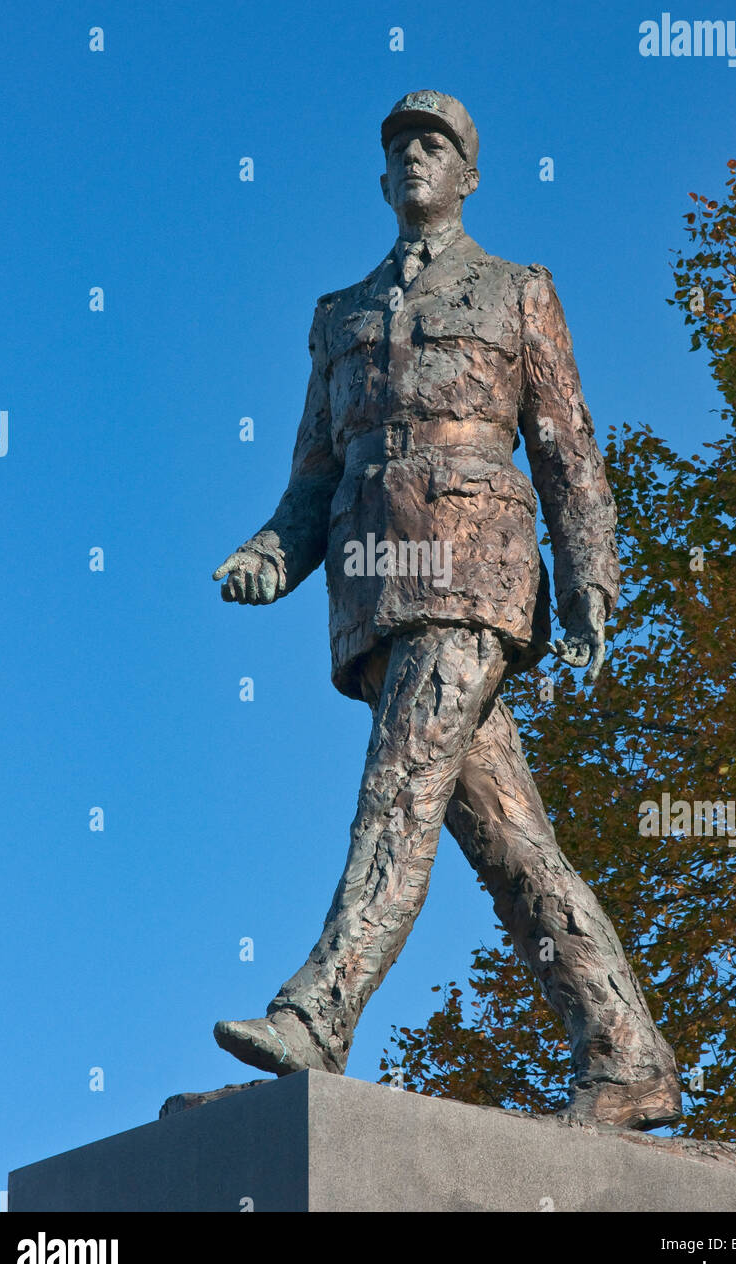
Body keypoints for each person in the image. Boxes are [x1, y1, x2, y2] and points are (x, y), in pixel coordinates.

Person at [212, 91, 681, 1129]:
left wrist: (588, 579)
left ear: (467, 175)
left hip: (473, 574)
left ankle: (317, 1010)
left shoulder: (516, 290)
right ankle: (624, 1048)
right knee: (509, 839)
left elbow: (565, 448)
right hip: (373, 594)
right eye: (400, 146)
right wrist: (265, 555)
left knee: (399, 791)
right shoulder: (338, 316)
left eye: (437, 144)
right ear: (383, 181)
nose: (416, 155)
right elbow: (311, 482)